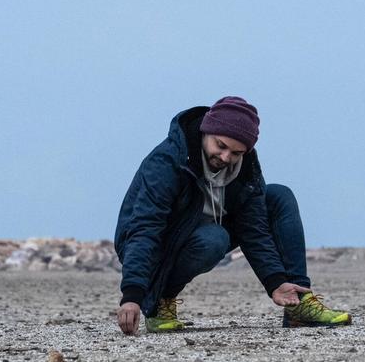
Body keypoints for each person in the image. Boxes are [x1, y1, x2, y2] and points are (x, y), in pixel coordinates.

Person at [114, 96, 352, 335]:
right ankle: (160, 302)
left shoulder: (245, 167)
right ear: (206, 131)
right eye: (221, 146)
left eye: (236, 153)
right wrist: (133, 294)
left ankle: (298, 303)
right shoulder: (168, 162)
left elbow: (253, 229)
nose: (226, 157)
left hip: (207, 232)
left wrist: (275, 283)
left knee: (279, 196)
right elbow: (145, 228)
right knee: (213, 238)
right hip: (156, 245)